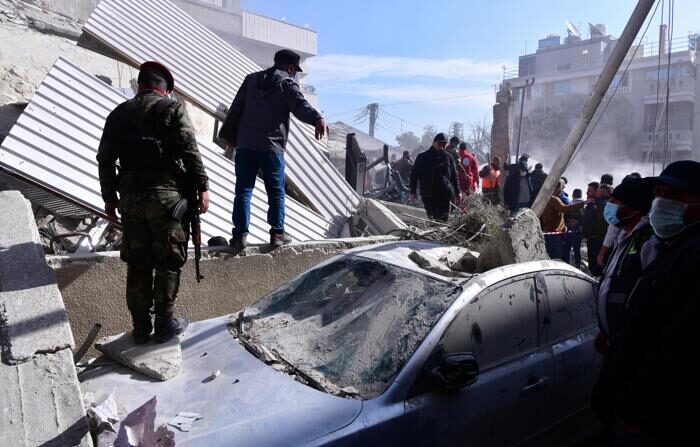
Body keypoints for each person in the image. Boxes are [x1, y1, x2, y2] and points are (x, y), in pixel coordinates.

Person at [97, 61, 210, 344]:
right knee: (167, 261)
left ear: (141, 85)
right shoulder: (171, 109)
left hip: (131, 200)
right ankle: (164, 323)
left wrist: (110, 198)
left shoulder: (118, 114)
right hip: (167, 199)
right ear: (165, 89)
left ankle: (140, 328)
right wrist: (203, 188)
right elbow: (190, 152)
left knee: (138, 263)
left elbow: (105, 160)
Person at [602, 161, 700, 443]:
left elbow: (675, 346)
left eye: (676, 196)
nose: (661, 203)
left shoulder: (691, 256)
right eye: (659, 193)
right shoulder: (671, 247)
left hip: (656, 416)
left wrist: (640, 409)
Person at [219, 49, 328, 250]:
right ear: (289, 67)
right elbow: (300, 106)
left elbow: (236, 108)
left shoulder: (251, 80)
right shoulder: (286, 83)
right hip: (271, 147)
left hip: (245, 146)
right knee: (276, 192)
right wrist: (317, 118)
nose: (294, 73)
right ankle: (277, 233)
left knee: (243, 190)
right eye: (294, 70)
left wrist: (231, 137)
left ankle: (239, 236)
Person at [589, 177, 656, 435]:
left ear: (634, 209)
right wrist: (605, 329)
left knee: (619, 408)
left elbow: (649, 301)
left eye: (616, 202)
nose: (610, 205)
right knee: (604, 403)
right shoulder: (626, 236)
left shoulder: (648, 242)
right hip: (614, 339)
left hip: (631, 347)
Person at [409, 133, 461, 221]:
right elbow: (414, 175)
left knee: (443, 221)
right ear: (433, 143)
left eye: (444, 145)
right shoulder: (422, 157)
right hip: (429, 196)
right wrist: (412, 192)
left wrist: (457, 192)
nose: (442, 147)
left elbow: (454, 177)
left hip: (445, 195)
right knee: (433, 221)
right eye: (439, 144)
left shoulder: (449, 158)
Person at [540, 179, 585, 259]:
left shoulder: (545, 197)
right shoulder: (554, 199)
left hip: (547, 231)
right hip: (555, 233)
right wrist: (582, 204)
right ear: (556, 188)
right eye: (561, 187)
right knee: (556, 257)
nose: (562, 189)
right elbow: (564, 209)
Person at [582, 182, 611, 276]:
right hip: (607, 240)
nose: (587, 193)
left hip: (595, 240)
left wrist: (585, 235)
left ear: (599, 192)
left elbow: (587, 220)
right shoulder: (611, 204)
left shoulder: (594, 205)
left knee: (595, 269)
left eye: (589, 191)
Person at [562, 188, 584, 268]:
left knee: (567, 249)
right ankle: (577, 266)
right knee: (577, 250)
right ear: (581, 195)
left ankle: (566, 266)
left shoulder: (570, 203)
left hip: (570, 230)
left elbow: (565, 216)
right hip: (579, 231)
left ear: (573, 195)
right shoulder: (584, 204)